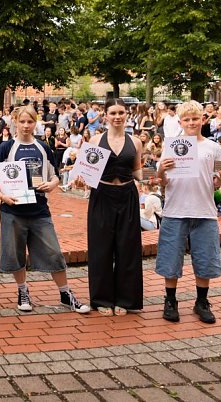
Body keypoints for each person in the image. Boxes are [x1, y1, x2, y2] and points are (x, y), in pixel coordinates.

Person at [0, 106, 90, 315]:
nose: (25, 126)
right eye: (22, 122)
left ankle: (65, 293)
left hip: (39, 209)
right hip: (12, 209)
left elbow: (55, 174)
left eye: (29, 122)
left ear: (35, 123)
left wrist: (52, 184)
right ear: (15, 122)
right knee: (16, 254)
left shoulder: (43, 147)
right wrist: (2, 196)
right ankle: (22, 291)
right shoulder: (6, 147)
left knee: (54, 252)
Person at [155, 101, 221, 324]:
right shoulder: (170, 146)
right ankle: (170, 300)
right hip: (175, 208)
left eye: (195, 119)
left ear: (202, 120)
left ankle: (201, 301)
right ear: (180, 122)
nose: (191, 123)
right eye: (186, 119)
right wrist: (160, 170)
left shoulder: (213, 147)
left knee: (205, 257)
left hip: (204, 209)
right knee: (170, 257)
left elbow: (217, 182)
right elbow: (162, 184)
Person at [75, 98, 144, 316]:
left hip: (127, 195)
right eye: (112, 113)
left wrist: (157, 176)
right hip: (102, 195)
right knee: (101, 247)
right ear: (105, 115)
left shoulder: (136, 142)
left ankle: (126, 299)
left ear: (127, 114)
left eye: (121, 112)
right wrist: (79, 179)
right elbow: (84, 173)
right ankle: (102, 299)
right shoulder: (95, 140)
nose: (117, 117)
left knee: (128, 247)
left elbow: (138, 172)